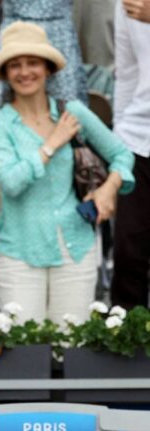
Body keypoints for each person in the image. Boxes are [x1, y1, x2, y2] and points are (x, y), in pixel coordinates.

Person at [0, 22, 135, 324]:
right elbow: (12, 183)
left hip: (76, 248)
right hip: (20, 252)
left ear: (48, 68)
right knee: (23, 350)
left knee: (72, 346)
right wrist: (51, 144)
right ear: (5, 74)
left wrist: (108, 189)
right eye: (15, 65)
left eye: (33, 63)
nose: (25, 72)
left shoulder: (72, 111)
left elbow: (122, 155)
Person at [0, 0, 88, 112]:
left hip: (59, 33)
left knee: (67, 104)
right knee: (5, 99)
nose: (25, 72)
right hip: (15, 30)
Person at [111, 1, 150, 309]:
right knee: (128, 253)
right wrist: (118, 141)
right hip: (137, 140)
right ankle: (127, 344)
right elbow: (126, 74)